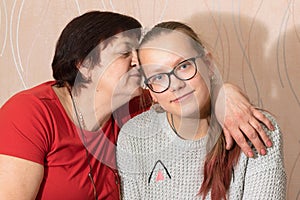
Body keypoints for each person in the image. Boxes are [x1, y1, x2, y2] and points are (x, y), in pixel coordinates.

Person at [0, 11, 272, 200]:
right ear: (83, 64)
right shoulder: (29, 114)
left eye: (138, 54)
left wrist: (227, 92)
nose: (137, 63)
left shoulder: (136, 110)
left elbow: (189, 93)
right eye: (124, 53)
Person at [116, 21, 286, 199]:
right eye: (158, 77)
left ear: (209, 64)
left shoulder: (255, 129)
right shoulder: (134, 136)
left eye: (183, 66)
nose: (176, 85)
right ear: (151, 92)